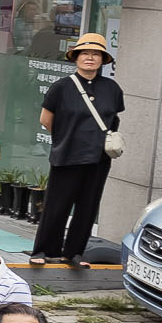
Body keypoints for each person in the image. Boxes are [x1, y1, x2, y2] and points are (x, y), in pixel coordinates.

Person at [32, 33, 124, 270]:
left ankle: (74, 252)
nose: (90, 58)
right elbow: (46, 119)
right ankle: (43, 249)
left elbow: (112, 119)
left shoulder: (112, 88)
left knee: (88, 206)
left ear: (103, 59)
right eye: (85, 53)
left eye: (96, 54)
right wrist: (67, 137)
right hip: (67, 155)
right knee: (57, 204)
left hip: (98, 158)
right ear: (76, 57)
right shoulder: (61, 87)